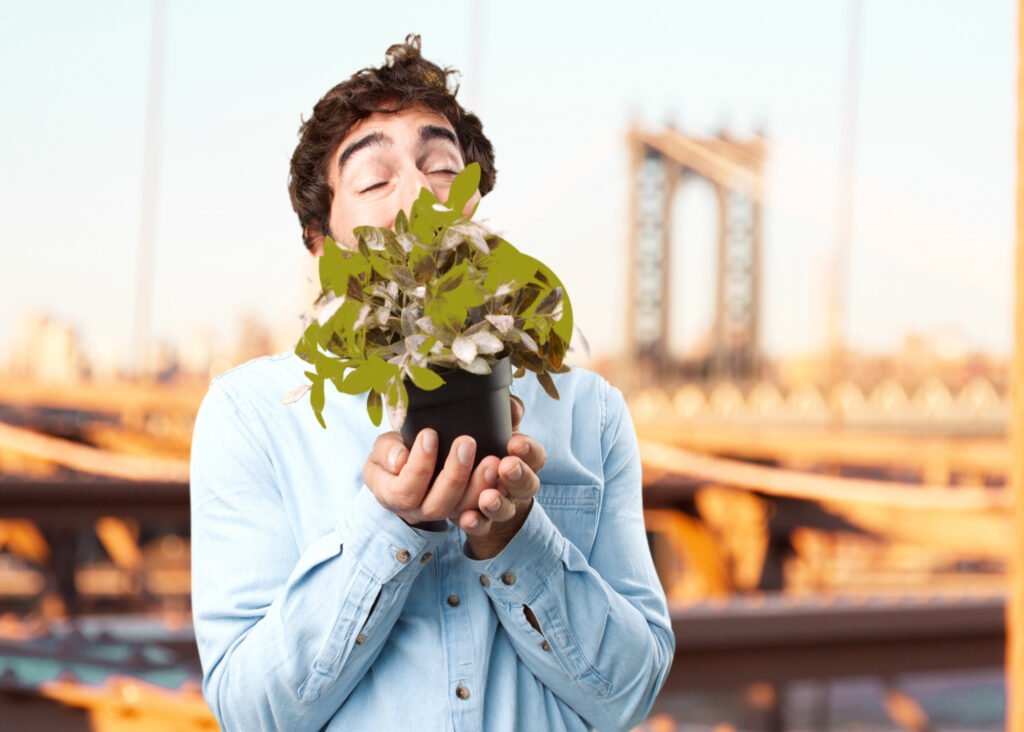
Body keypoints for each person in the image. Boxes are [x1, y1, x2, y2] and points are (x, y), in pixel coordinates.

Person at [190, 33, 674, 731]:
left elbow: (631, 693)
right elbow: (251, 712)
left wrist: (517, 541)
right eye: (375, 179)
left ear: (474, 208)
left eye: (442, 167)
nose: (418, 191)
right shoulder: (251, 416)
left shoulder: (590, 413)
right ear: (319, 240)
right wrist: (387, 526)